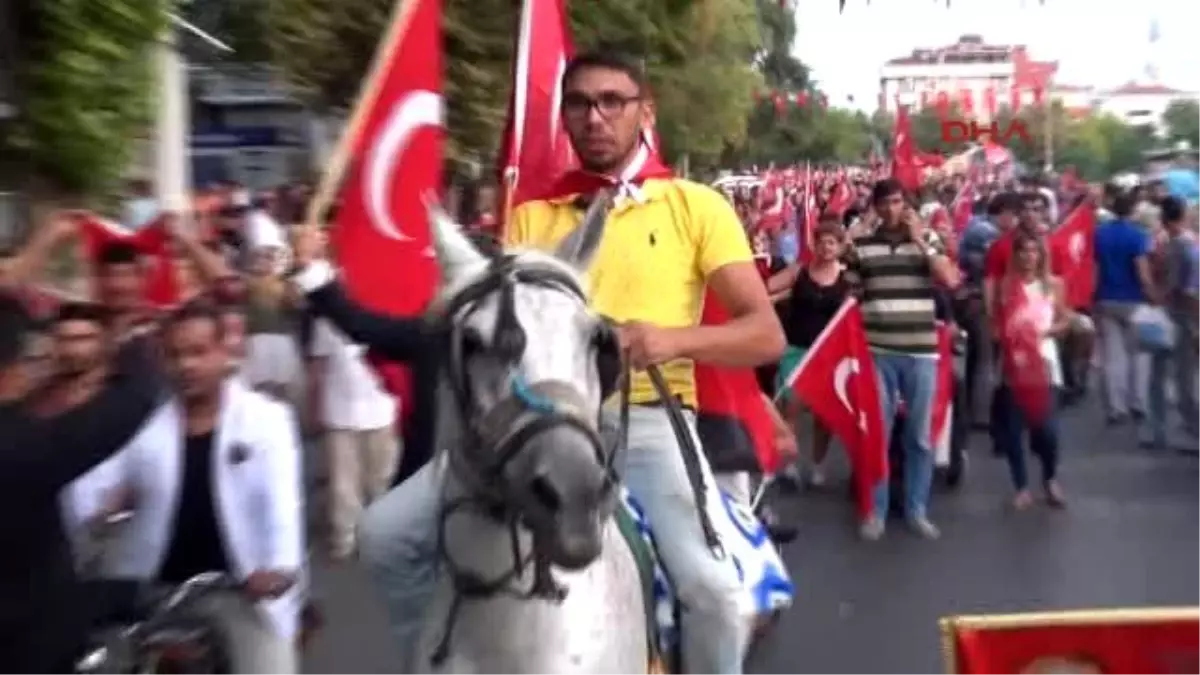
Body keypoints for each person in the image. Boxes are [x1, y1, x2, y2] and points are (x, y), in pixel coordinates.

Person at [70, 301, 304, 674]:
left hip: (238, 590)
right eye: (176, 355)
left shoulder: (267, 420)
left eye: (198, 352)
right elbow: (93, 482)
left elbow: (283, 506)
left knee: (270, 668)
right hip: (151, 589)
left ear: (223, 353)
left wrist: (279, 567)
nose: (187, 366)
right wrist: (96, 507)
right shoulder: (144, 422)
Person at [0, 294, 160, 675]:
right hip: (28, 638)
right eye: (36, 359)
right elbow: (128, 406)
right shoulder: (20, 444)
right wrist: (138, 345)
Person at [843, 178, 960, 541]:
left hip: (921, 352)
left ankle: (917, 509)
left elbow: (950, 278)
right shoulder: (862, 246)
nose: (892, 209)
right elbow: (847, 291)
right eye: (885, 203)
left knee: (920, 438)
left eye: (898, 202)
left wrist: (921, 240)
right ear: (876, 207)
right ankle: (875, 511)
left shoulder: (928, 241)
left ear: (906, 205)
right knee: (878, 435)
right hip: (878, 352)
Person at [766, 219, 851, 487]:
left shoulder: (847, 277)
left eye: (831, 243)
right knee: (790, 408)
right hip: (796, 350)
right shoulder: (799, 271)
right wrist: (777, 297)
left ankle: (818, 465)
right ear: (813, 244)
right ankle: (789, 467)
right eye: (821, 242)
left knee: (824, 415)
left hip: (828, 355)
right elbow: (765, 288)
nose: (826, 247)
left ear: (840, 247)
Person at [308, 317, 400, 560]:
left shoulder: (390, 310)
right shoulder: (326, 318)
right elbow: (318, 364)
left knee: (381, 479)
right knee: (342, 484)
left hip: (382, 408)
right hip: (339, 411)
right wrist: (315, 405)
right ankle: (345, 539)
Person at [992, 232, 1069, 509]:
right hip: (1014, 364)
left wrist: (1045, 331)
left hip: (1045, 363)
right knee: (1014, 428)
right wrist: (1010, 334)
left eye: (1034, 251)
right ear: (1016, 255)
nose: (1028, 257)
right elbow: (995, 323)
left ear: (1041, 255)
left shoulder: (1053, 285)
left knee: (1046, 429)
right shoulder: (1005, 287)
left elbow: (1065, 320)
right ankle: (1021, 486)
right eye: (1023, 251)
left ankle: (1050, 478)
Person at [1093, 190, 1159, 425]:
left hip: (1105, 297)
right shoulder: (1137, 235)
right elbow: (1142, 269)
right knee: (1139, 355)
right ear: (1132, 211)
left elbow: (1094, 267)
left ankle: (1115, 407)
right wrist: (1153, 295)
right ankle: (1138, 402)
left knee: (1112, 356)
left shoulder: (1099, 234)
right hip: (1134, 299)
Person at [1145, 196, 1198, 448]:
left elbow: (1176, 286)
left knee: (1173, 377)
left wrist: (1156, 296)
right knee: (1180, 377)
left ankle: (1168, 430)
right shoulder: (1187, 244)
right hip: (1183, 318)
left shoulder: (1177, 247)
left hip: (1176, 317)